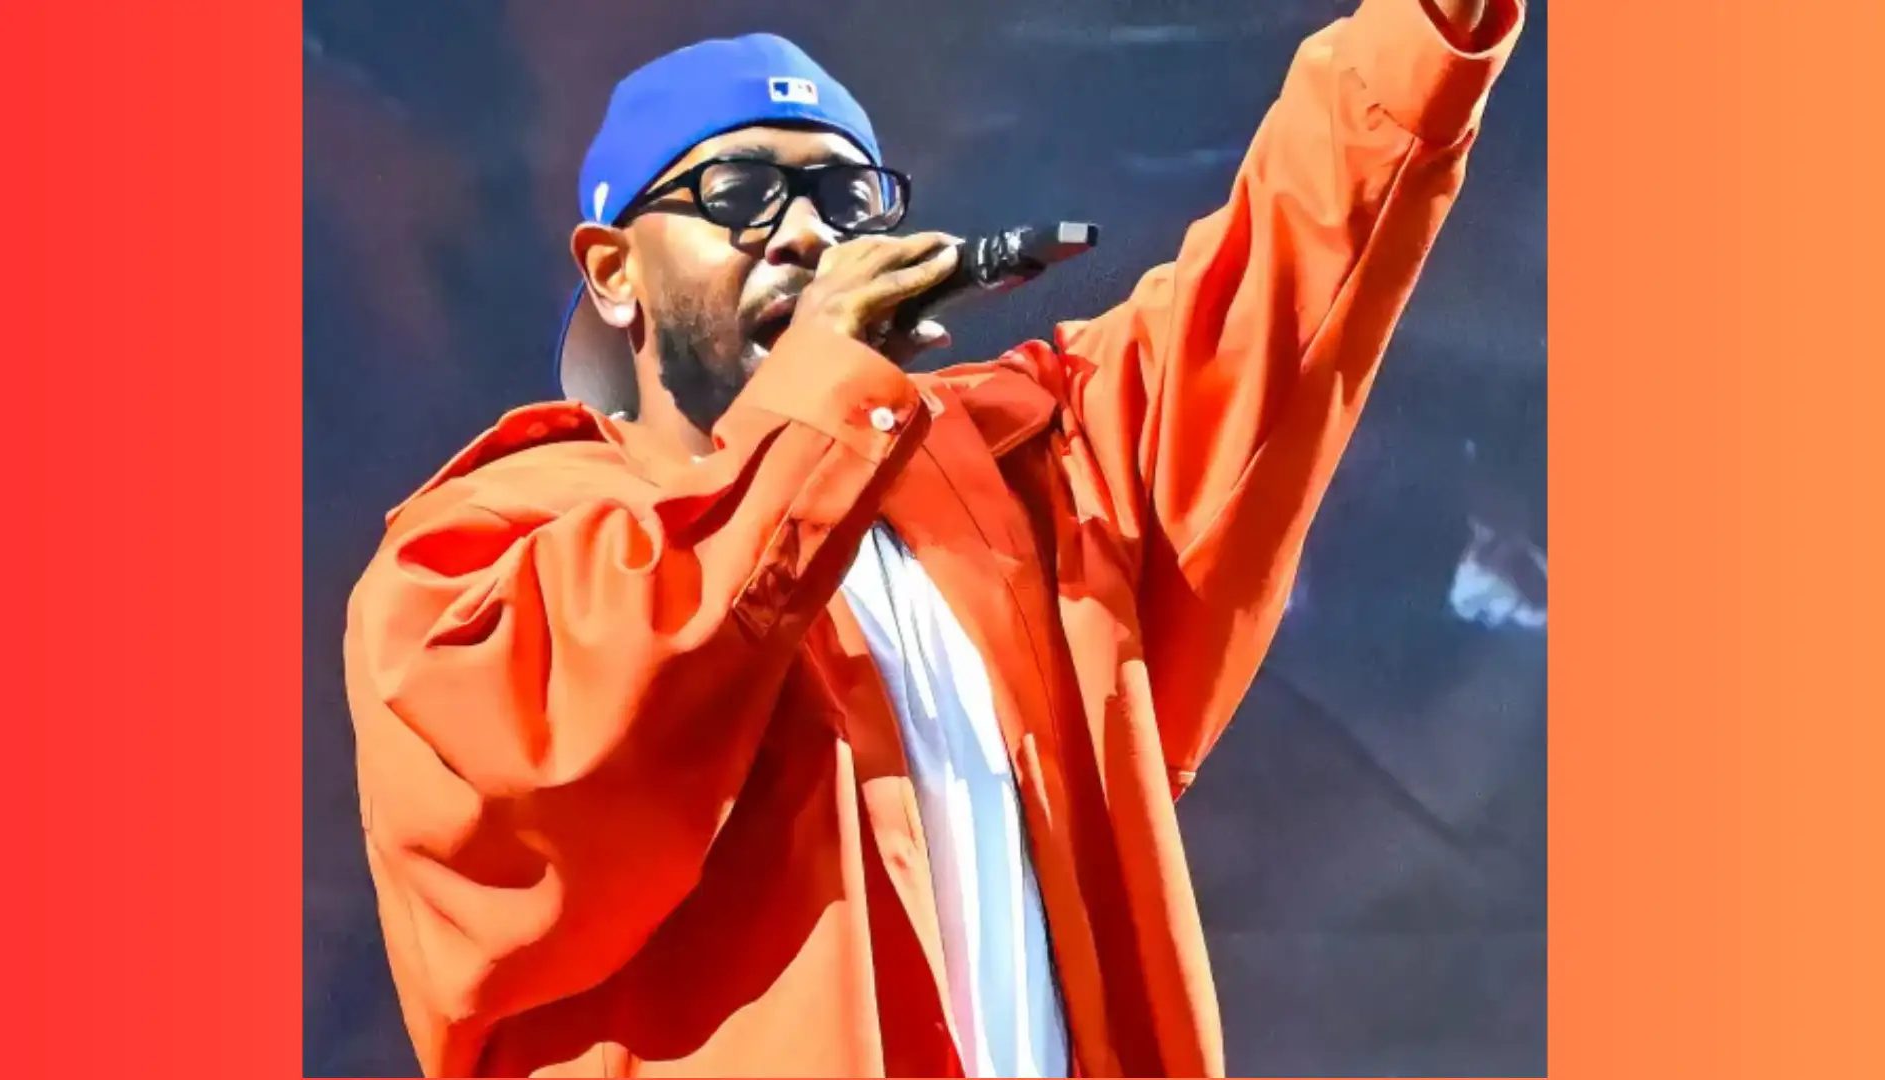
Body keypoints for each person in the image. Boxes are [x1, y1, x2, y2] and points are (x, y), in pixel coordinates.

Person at [343, 0, 1524, 1075]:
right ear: (614, 276)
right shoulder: (487, 548)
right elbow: (555, 780)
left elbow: (1283, 273)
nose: (807, 235)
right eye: (742, 193)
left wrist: (1434, 26)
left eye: (847, 199)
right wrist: (823, 403)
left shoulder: (1017, 479)